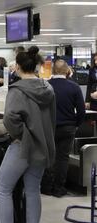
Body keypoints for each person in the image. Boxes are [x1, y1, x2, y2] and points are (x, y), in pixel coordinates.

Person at [0, 46, 56, 223]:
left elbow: (10, 119)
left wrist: (21, 134)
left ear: (20, 66)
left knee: (3, 187)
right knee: (33, 189)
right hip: (42, 146)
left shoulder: (17, 90)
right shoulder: (48, 89)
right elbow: (52, 119)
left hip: (22, 146)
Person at [43, 60, 85, 197]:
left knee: (49, 156)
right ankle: (59, 188)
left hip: (49, 127)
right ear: (67, 71)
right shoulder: (74, 87)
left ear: (53, 71)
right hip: (68, 127)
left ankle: (46, 186)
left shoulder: (45, 86)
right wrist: (76, 124)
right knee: (62, 158)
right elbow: (81, 111)